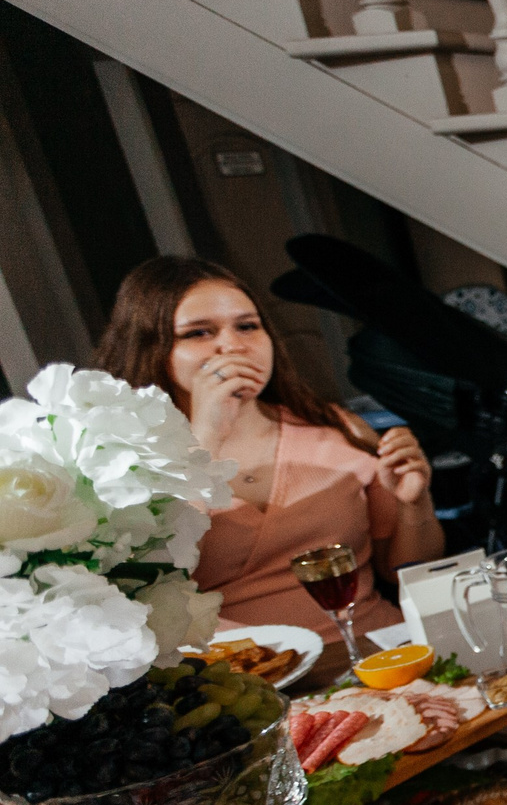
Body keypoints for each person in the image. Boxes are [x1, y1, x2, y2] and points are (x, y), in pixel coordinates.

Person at [94, 257, 442, 635]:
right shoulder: (126, 461)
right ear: (154, 350)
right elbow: (141, 581)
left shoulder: (336, 428)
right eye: (199, 333)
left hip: (376, 648)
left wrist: (414, 503)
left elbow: (406, 567)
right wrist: (205, 436)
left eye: (247, 326)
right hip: (239, 678)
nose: (232, 345)